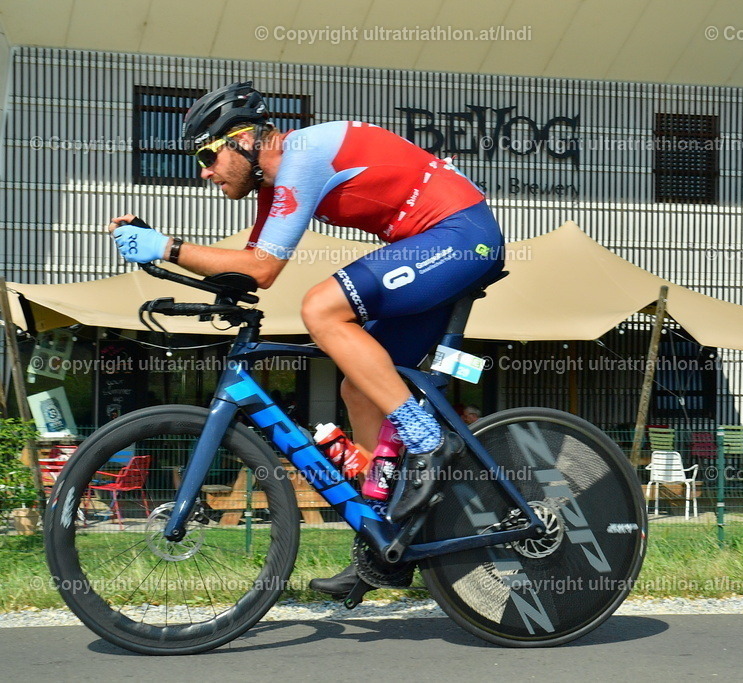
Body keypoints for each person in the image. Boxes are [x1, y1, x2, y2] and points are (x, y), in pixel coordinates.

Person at [106, 81, 504, 598]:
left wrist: (167, 245)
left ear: (244, 140)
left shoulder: (299, 158)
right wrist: (157, 245)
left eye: (207, 156)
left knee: (321, 307)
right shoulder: (276, 185)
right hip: (432, 244)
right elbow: (245, 272)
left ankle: (429, 442)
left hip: (458, 234)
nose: (204, 173)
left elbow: (263, 268)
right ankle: (382, 542)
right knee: (360, 389)